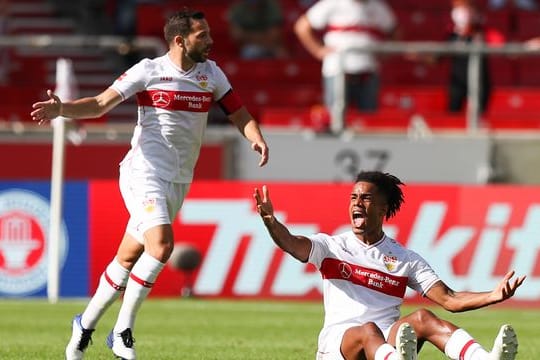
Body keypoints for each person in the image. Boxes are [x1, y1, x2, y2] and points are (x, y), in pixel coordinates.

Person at [31, 8, 269, 360]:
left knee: (128, 256)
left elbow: (238, 112)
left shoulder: (211, 74)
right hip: (143, 172)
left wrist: (255, 136)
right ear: (179, 40)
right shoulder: (149, 70)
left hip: (178, 179)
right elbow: (99, 104)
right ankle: (123, 330)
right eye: (202, 35)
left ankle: (84, 325)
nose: (211, 40)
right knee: (161, 246)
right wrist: (62, 108)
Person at [253, 171, 525, 360]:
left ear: (383, 210)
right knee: (369, 330)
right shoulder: (331, 246)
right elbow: (292, 243)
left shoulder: (404, 258)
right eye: (353, 198)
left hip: (387, 343)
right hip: (339, 346)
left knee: (423, 318)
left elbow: (450, 299)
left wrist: (493, 295)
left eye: (366, 198)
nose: (357, 203)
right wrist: (271, 222)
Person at [294, 0, 398, 112]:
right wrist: (317, 50)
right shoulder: (333, 3)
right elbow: (302, 26)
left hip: (368, 73)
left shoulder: (377, 5)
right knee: (336, 118)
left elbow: (394, 30)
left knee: (369, 120)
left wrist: (386, 52)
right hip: (338, 72)